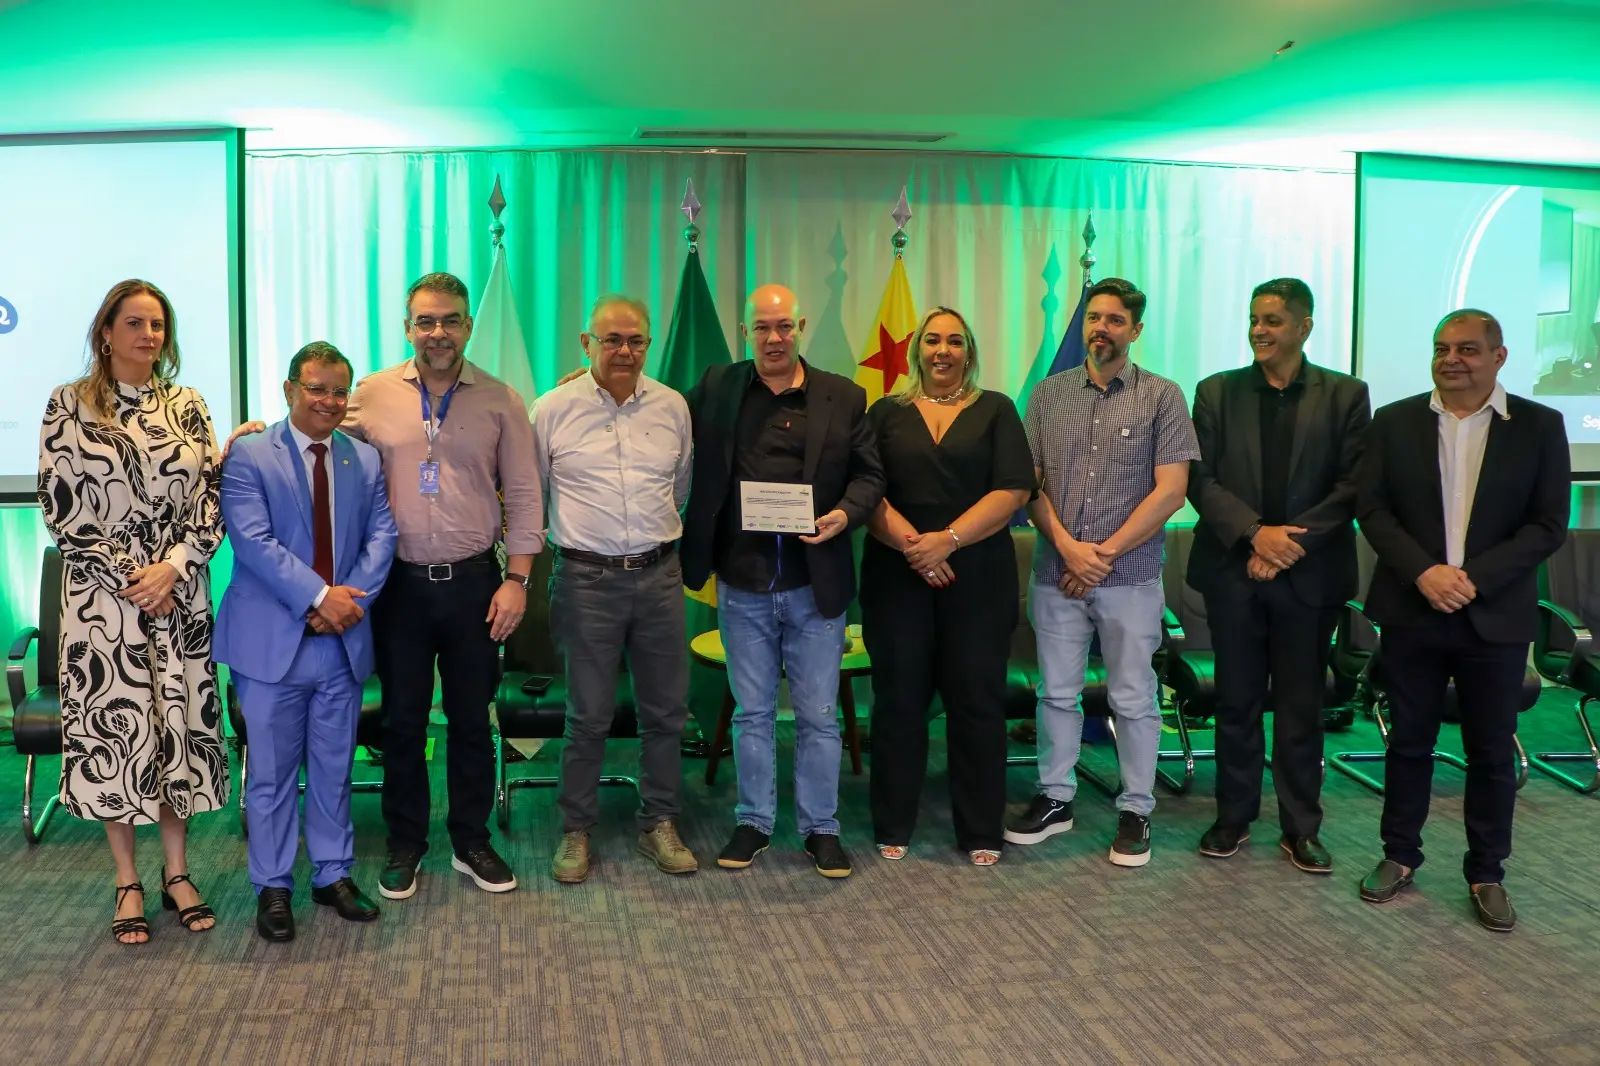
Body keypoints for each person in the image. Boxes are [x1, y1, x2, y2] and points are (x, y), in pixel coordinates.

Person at [225, 270, 541, 898]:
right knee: (402, 721)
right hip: (396, 587)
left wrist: (519, 579)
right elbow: (312, 433)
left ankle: (472, 840)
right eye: (426, 321)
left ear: (468, 326)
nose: (438, 332)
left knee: (471, 720)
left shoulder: (501, 399)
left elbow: (527, 493)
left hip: (476, 584)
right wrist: (252, 434)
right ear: (407, 327)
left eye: (450, 320)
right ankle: (406, 842)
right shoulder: (370, 393)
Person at [1355, 309, 1569, 932]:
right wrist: (1425, 572)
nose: (1452, 359)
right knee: (1408, 743)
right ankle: (1399, 855)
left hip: (1493, 614)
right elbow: (1373, 509)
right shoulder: (1395, 421)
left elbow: (1548, 524)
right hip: (1412, 608)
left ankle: (1487, 871)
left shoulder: (1539, 425)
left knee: (1492, 751)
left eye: (1468, 349)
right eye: (1442, 348)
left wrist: (1472, 578)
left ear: (1499, 357)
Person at [38, 279, 227, 944]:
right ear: (106, 332)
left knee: (178, 732)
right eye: (136, 323)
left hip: (179, 594)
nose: (150, 335)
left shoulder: (189, 403)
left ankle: (178, 872)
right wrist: (133, 578)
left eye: (158, 324)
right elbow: (62, 510)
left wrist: (172, 567)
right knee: (118, 738)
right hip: (104, 606)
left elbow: (211, 498)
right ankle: (127, 880)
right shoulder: (69, 403)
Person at [681, 283, 885, 878]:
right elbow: (657, 409)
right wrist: (591, 381)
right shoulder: (718, 385)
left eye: (784, 326)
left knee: (819, 714)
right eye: (762, 328)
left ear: (801, 327)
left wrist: (844, 514)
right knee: (752, 714)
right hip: (741, 582)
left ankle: (822, 828)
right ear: (746, 333)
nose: (774, 338)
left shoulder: (844, 396)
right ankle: (754, 821)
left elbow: (870, 476)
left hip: (815, 585)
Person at [1006, 277, 1199, 867]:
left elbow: (1172, 492)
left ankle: (1136, 808)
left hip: (1130, 578)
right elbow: (1028, 485)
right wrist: (1070, 550)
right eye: (1094, 317)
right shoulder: (1048, 395)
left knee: (1134, 697)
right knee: (1056, 695)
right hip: (1056, 573)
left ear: (1135, 330)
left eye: (1115, 320)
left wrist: (1100, 556)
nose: (1101, 329)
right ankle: (1055, 798)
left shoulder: (1163, 396)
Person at [216, 342, 398, 942]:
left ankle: (332, 874)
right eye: (317, 388)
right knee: (269, 774)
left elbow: (382, 536)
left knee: (333, 767)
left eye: (339, 391)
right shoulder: (249, 455)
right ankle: (272, 885)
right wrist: (321, 598)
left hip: (341, 642)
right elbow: (252, 541)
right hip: (272, 643)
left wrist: (348, 603)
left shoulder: (362, 459)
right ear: (290, 388)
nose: (328, 401)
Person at [1187, 279, 1371, 872]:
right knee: (1236, 702)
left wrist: (1286, 544)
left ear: (1304, 326)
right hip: (1232, 572)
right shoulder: (1216, 391)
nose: (1259, 331)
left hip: (1309, 576)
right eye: (1253, 320)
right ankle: (1233, 817)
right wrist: (1253, 533)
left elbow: (1353, 485)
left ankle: (1301, 827)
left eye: (1271, 320)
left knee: (1300, 708)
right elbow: (1199, 478)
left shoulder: (1345, 394)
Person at [861, 307, 1034, 866]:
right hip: (898, 576)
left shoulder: (997, 409)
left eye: (954, 341)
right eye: (932, 340)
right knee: (898, 703)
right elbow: (866, 489)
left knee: (977, 704)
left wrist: (949, 541)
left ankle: (980, 828)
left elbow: (1013, 490)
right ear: (917, 350)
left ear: (969, 351)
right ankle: (893, 822)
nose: (943, 350)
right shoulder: (885, 412)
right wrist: (918, 547)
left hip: (977, 578)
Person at [533, 295, 697, 884]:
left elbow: (680, 488)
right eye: (612, 340)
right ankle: (576, 829)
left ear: (648, 344)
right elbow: (533, 493)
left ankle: (659, 822)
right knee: (588, 714)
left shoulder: (673, 407)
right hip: (586, 581)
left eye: (636, 340)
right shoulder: (551, 409)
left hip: (659, 576)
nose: (625, 351)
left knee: (666, 711)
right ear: (587, 343)